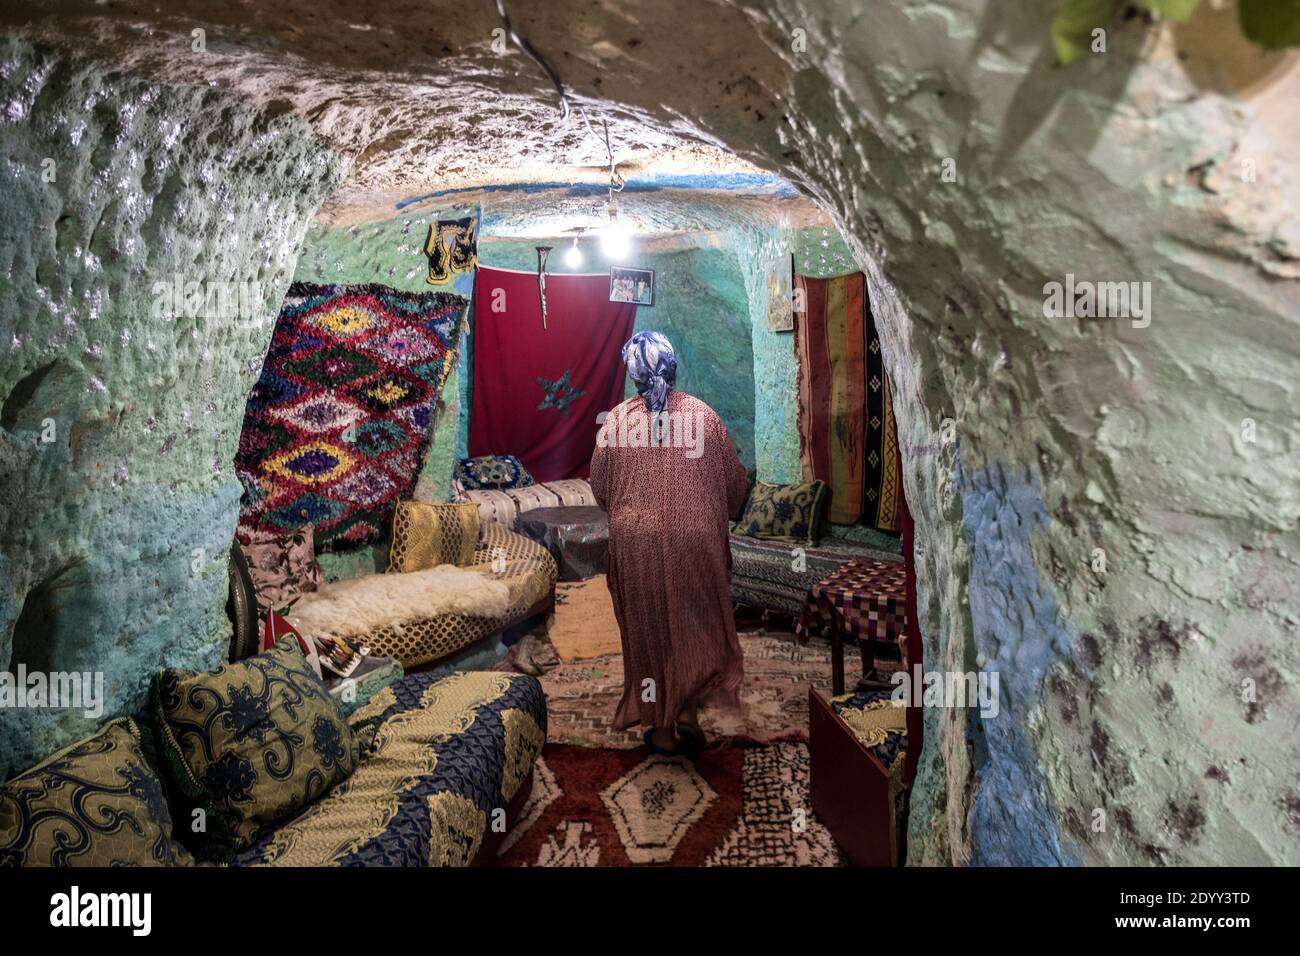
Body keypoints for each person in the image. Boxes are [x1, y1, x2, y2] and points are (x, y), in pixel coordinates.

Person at [590, 331, 750, 755]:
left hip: (636, 540)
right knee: (692, 624)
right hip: (694, 539)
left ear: (634, 374)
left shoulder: (616, 423)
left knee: (647, 631)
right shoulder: (705, 417)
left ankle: (659, 728)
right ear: (673, 368)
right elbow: (736, 489)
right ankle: (686, 712)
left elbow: (601, 490)